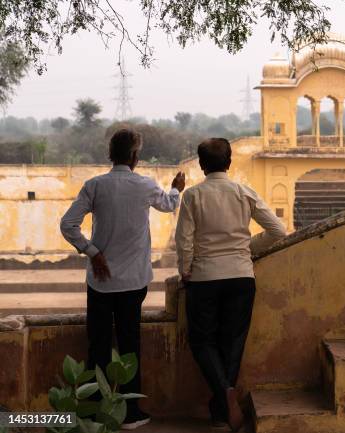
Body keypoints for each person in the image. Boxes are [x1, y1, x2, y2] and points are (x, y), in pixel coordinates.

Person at [60, 128, 185, 430]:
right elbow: (169, 205)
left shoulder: (95, 186)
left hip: (100, 283)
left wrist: (93, 252)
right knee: (130, 345)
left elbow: (68, 225)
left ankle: (90, 411)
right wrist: (177, 188)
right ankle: (130, 412)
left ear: (110, 155)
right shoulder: (144, 186)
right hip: (133, 282)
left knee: (98, 344)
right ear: (135, 156)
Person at [175, 138, 286, 432]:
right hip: (240, 275)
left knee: (202, 341)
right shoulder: (244, 192)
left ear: (201, 165)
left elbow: (184, 240)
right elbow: (278, 231)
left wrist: (185, 271)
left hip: (205, 277)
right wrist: (247, 247)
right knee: (233, 341)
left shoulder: (193, 196)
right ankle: (222, 408)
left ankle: (223, 395)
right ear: (229, 162)